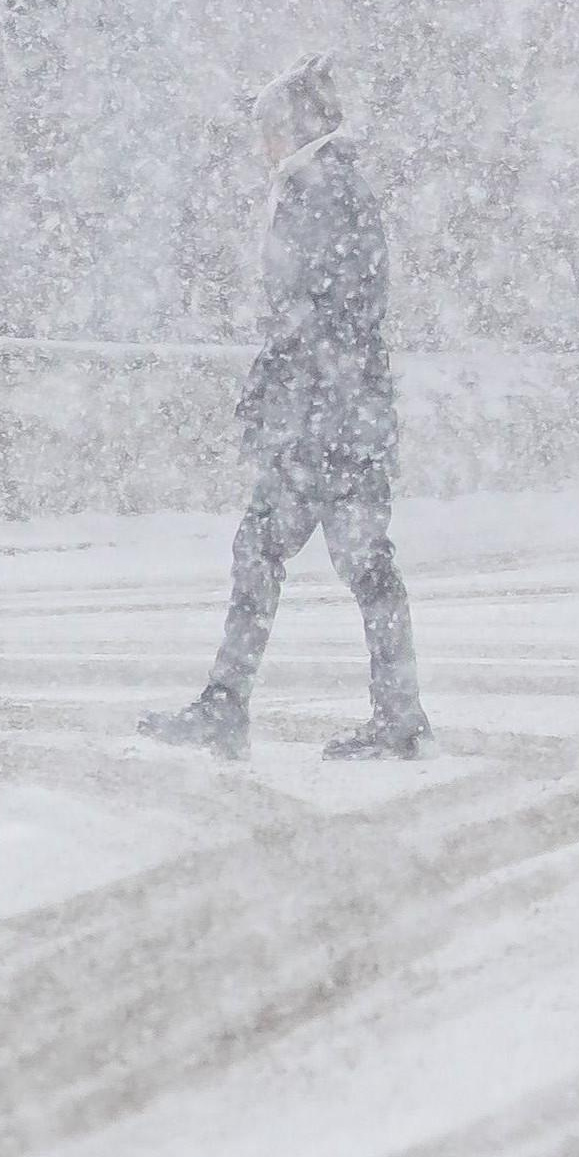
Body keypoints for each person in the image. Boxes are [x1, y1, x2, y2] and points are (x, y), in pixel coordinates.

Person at [143, 55, 429, 760]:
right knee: (348, 562)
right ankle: (390, 713)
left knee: (286, 555)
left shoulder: (318, 191)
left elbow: (316, 313)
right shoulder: (329, 187)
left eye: (267, 130)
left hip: (323, 422)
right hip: (342, 417)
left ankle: (235, 705)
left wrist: (287, 397)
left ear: (294, 128)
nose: (261, 145)